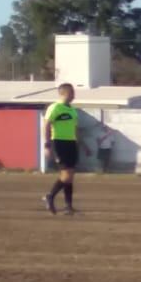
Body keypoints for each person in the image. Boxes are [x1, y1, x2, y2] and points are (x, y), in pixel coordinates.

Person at [43, 83, 91, 215]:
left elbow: (75, 130)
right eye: (72, 93)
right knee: (66, 174)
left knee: (70, 176)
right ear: (64, 93)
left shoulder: (72, 110)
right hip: (59, 143)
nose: (74, 95)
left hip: (71, 144)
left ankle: (68, 206)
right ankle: (50, 196)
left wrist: (83, 145)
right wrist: (47, 145)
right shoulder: (55, 107)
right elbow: (46, 126)